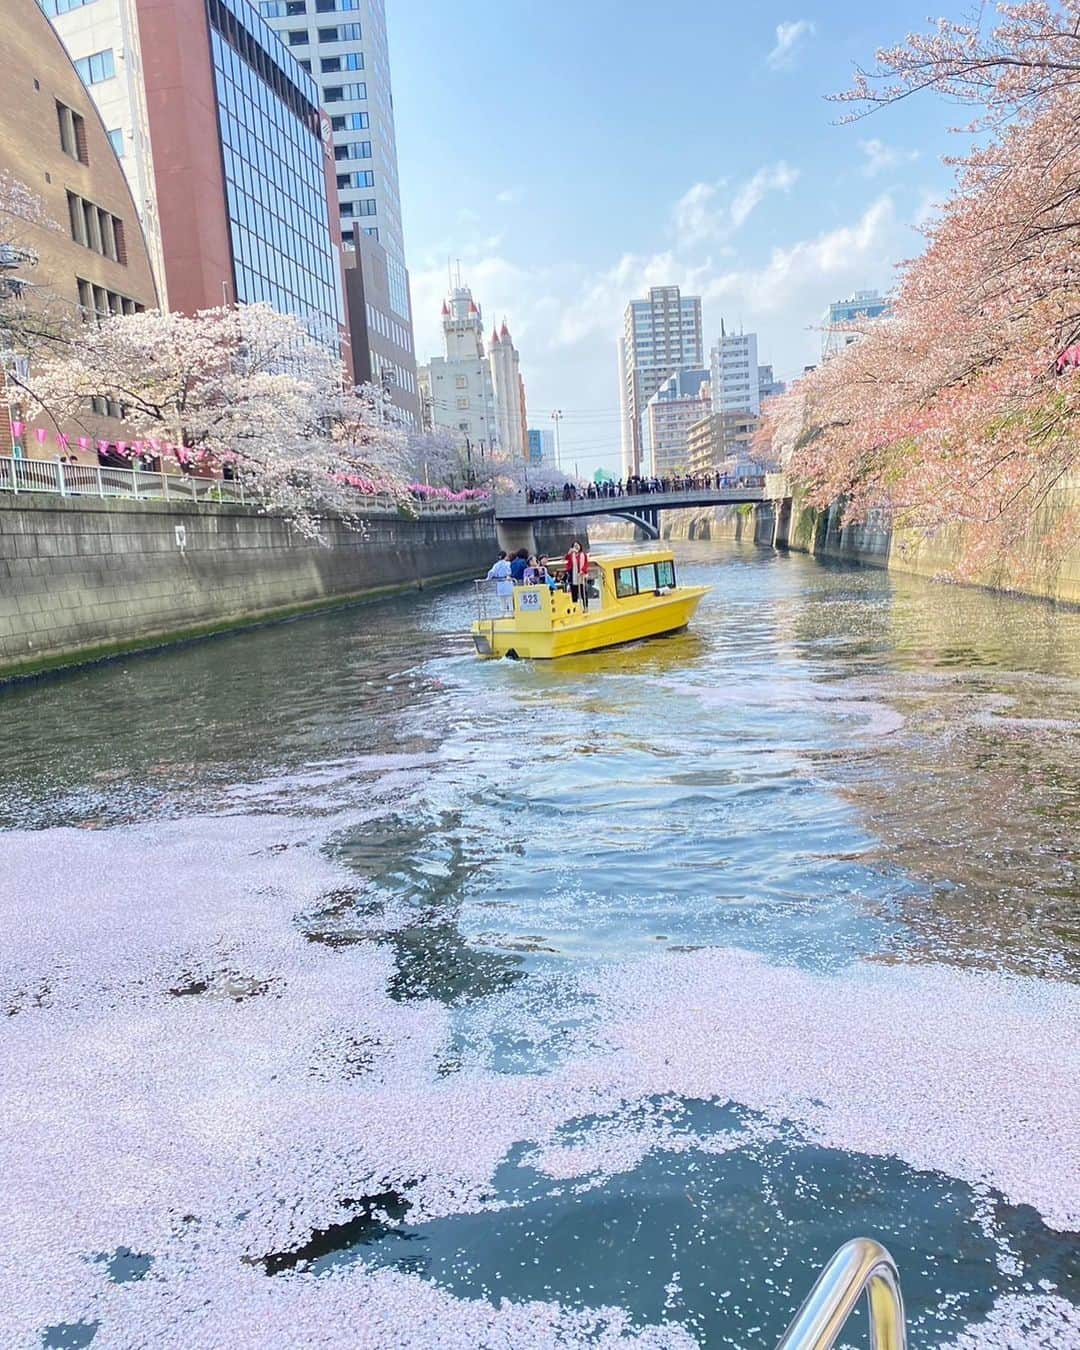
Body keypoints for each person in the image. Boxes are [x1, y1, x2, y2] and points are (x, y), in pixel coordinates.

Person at [565, 540, 590, 610]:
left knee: (583, 592)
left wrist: (583, 571)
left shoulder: (583, 555)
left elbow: (585, 564)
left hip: (581, 576)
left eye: (577, 545)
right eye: (574, 546)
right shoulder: (571, 555)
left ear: (580, 546)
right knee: (574, 593)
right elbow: (566, 559)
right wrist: (569, 553)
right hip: (573, 576)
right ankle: (575, 608)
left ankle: (586, 607)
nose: (576, 547)